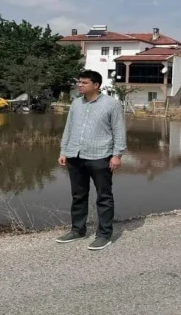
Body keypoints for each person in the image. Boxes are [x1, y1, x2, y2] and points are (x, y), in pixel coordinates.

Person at [56, 70, 127, 251]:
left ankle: (104, 235)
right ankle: (77, 230)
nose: (80, 85)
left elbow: (119, 131)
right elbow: (69, 128)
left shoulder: (112, 104)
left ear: (96, 85)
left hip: (100, 156)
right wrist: (64, 150)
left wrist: (117, 155)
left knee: (104, 196)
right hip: (75, 156)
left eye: (84, 83)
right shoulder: (76, 103)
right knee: (78, 196)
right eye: (79, 82)